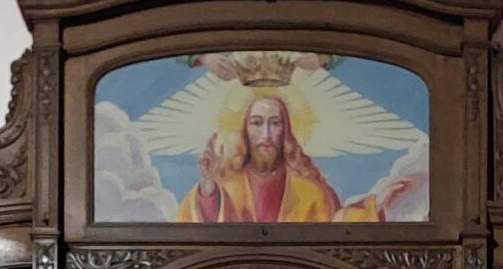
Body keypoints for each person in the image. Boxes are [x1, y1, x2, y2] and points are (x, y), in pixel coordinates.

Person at [175, 93, 408, 224]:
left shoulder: (311, 193)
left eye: (275, 123)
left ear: (286, 131)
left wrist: (373, 207)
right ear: (245, 130)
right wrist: (207, 184)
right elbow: (200, 231)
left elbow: (334, 232)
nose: (266, 134)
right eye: (257, 123)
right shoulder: (225, 188)